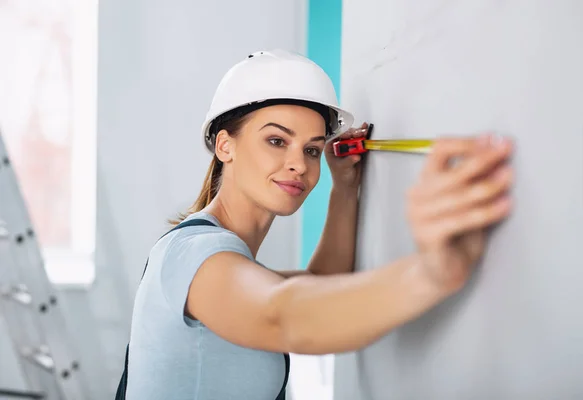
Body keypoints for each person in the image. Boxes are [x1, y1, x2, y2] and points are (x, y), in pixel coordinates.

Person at [121, 49, 514, 399]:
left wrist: (344, 188)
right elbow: (283, 315)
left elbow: (322, 285)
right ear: (225, 145)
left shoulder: (222, 259)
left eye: (311, 149)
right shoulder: (196, 255)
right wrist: (432, 273)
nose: (300, 164)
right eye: (277, 140)